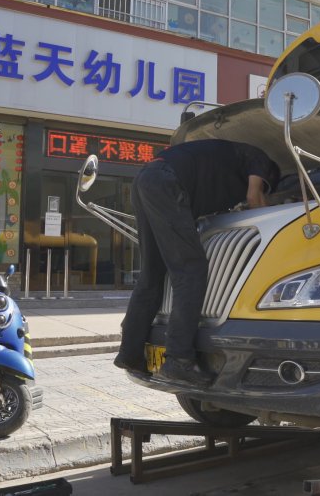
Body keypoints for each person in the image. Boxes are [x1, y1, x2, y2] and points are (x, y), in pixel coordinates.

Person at [113, 139, 280, 387]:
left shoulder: (224, 165)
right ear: (269, 179)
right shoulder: (259, 158)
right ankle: (179, 360)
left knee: (152, 273)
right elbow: (254, 198)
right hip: (167, 180)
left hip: (147, 178)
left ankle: (130, 352)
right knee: (190, 270)